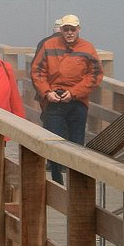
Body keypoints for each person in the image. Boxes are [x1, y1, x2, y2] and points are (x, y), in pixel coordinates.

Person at [31, 14, 103, 182]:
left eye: (73, 29)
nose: (69, 33)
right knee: (54, 141)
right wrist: (47, 92)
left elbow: (96, 74)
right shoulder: (49, 45)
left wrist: (75, 93)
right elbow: (37, 72)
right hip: (54, 100)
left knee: (76, 143)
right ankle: (57, 180)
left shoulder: (87, 48)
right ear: (61, 30)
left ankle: (76, 182)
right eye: (66, 29)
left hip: (77, 101)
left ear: (79, 29)